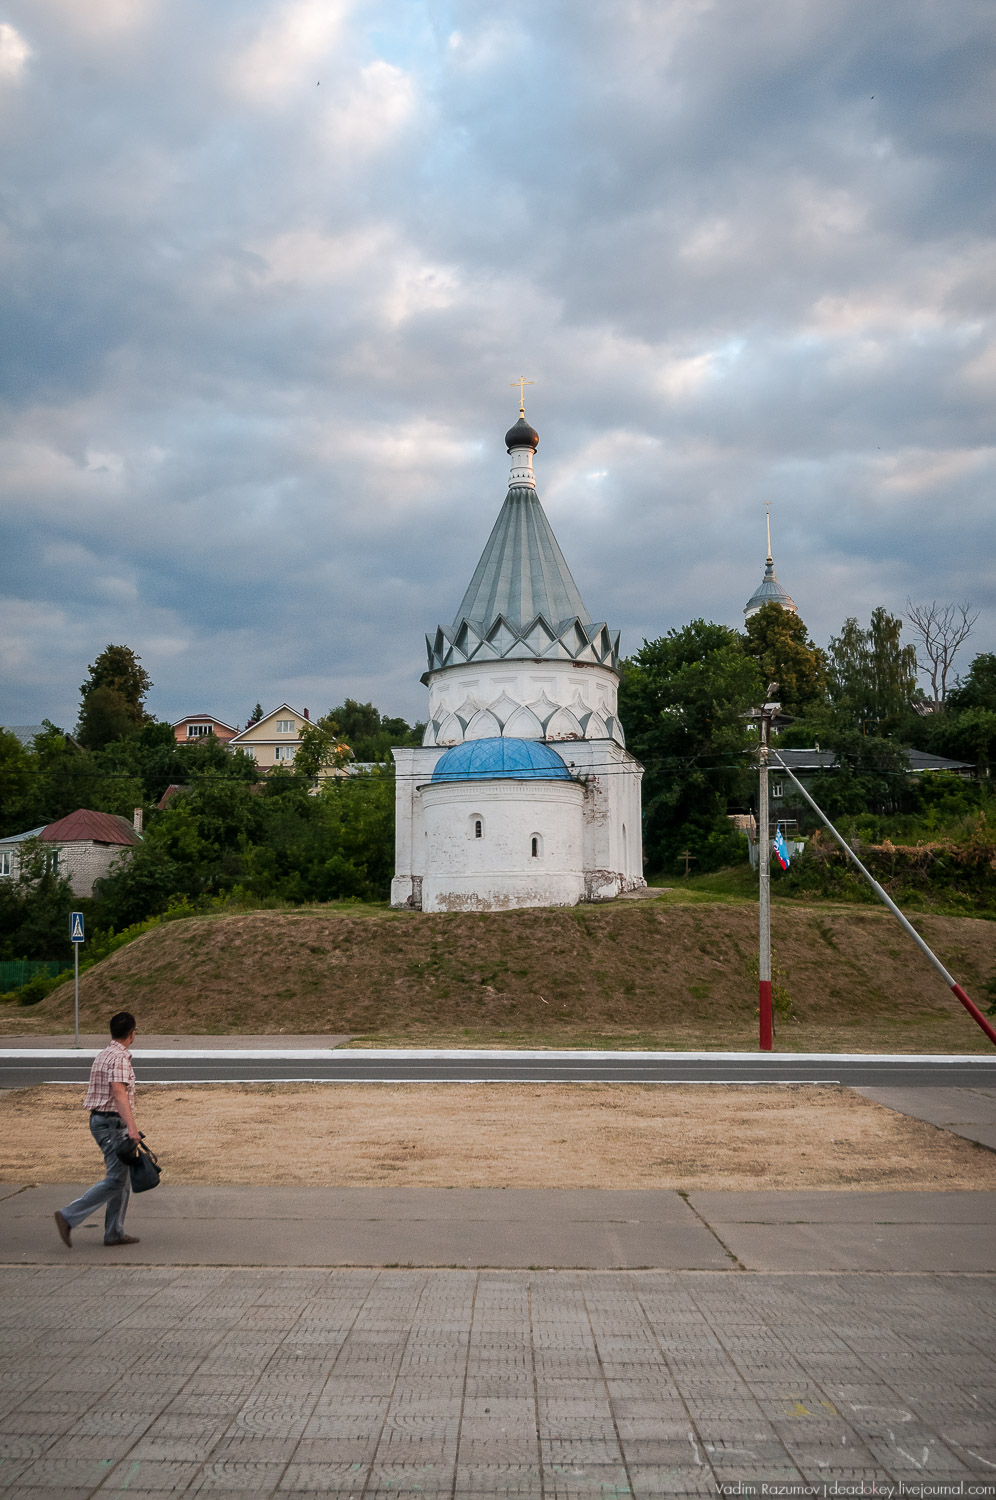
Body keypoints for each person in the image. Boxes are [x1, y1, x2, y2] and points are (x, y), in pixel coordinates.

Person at [54, 1011, 141, 1248]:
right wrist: (132, 1128)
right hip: (112, 1123)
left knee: (121, 1180)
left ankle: (114, 1232)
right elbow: (118, 1092)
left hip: (102, 1120)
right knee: (115, 1180)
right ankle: (68, 1216)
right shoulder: (120, 1058)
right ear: (131, 1034)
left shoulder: (104, 1054)